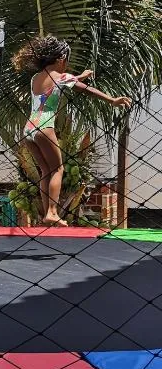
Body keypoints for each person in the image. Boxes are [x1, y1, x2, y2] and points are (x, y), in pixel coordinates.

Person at [12, 35, 131, 226]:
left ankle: (46, 213)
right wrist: (112, 100)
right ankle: (52, 212)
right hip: (45, 126)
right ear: (60, 59)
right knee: (58, 169)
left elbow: (63, 81)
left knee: (45, 170)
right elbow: (85, 89)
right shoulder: (62, 77)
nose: (66, 66)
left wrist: (80, 76)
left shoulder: (36, 78)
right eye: (66, 61)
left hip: (29, 129)